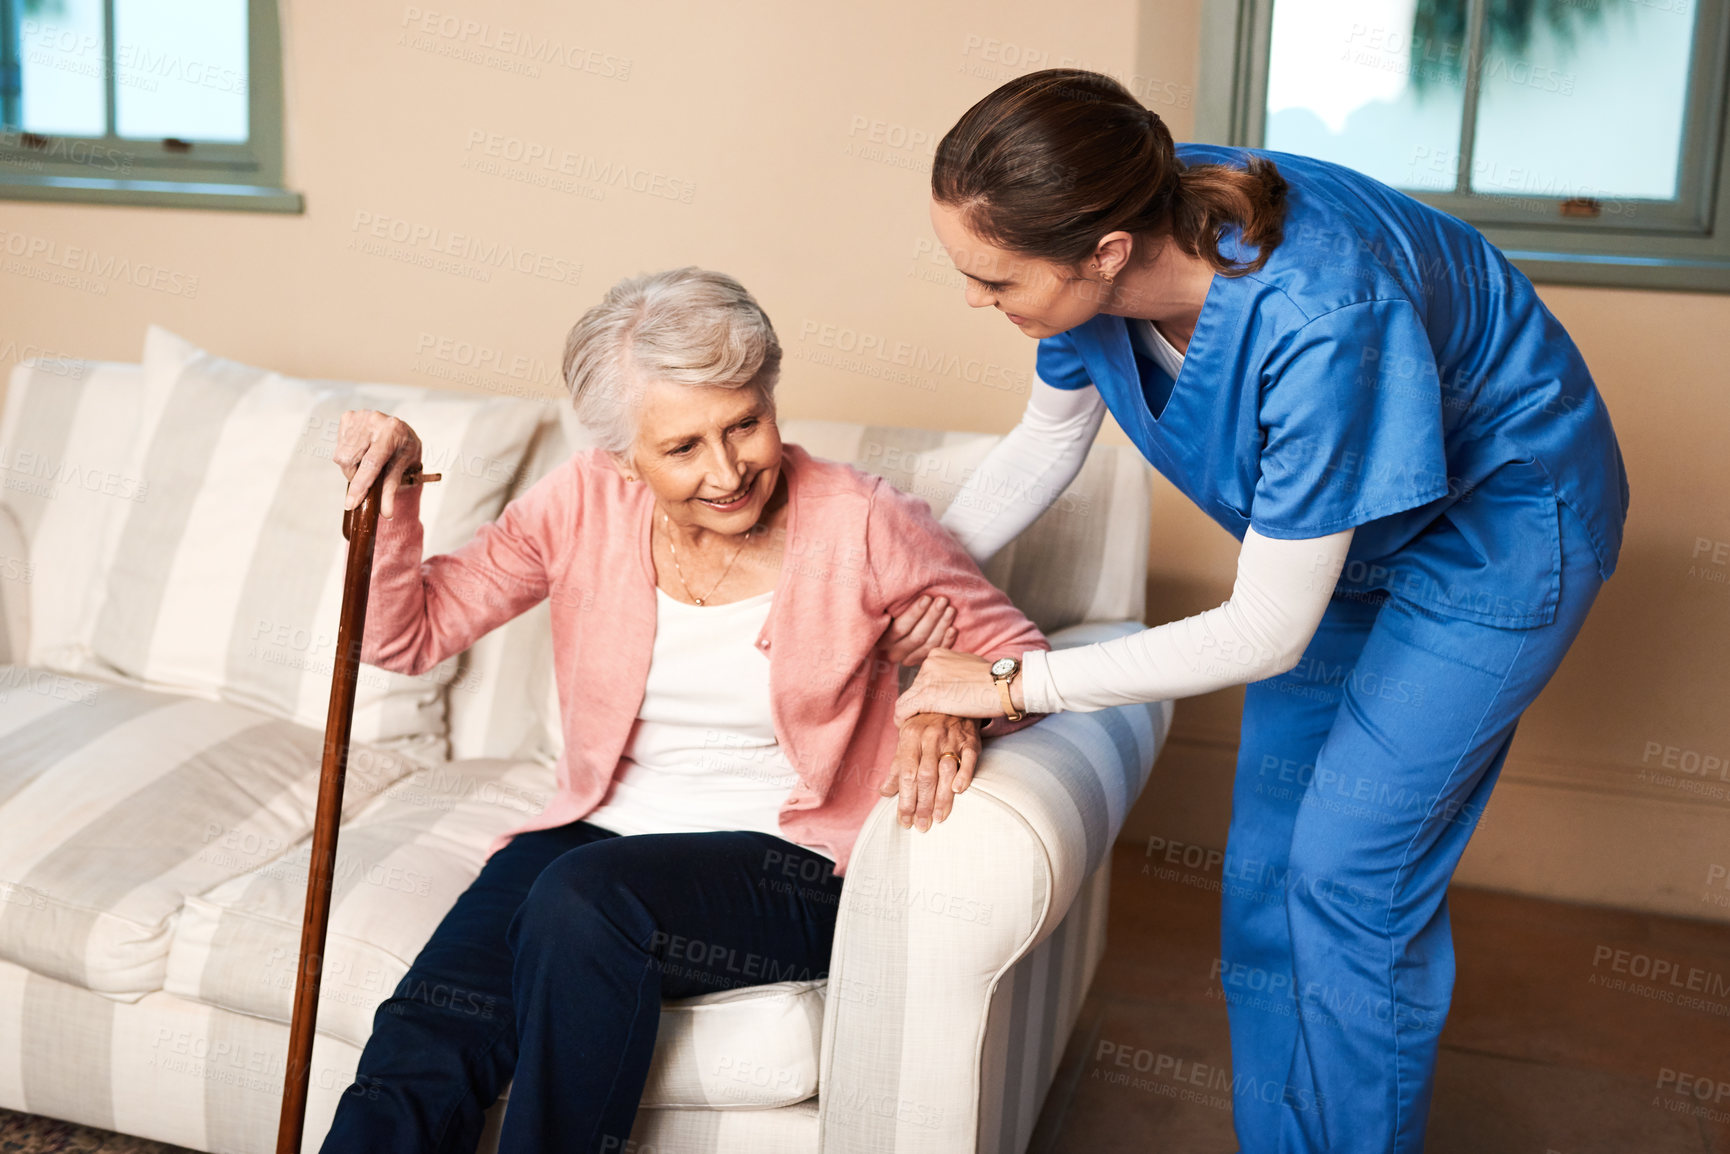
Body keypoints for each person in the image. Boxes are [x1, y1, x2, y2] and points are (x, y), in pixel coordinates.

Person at [895, 70, 1629, 1154]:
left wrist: (1008, 682)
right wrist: (901, 582)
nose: (972, 296)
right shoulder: (1101, 214)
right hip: (1337, 537)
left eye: (989, 279)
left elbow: (1263, 631)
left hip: (1499, 525)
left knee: (1349, 875)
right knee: (1266, 870)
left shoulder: (1316, 311)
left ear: (1100, 254)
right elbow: (1045, 444)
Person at [318, 267, 1049, 1153]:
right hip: (592, 836)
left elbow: (1026, 664)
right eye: (683, 448)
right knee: (425, 1037)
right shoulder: (582, 502)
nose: (729, 469)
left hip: (792, 864)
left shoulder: (860, 521)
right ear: (622, 459)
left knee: (583, 901)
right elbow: (410, 637)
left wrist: (945, 697)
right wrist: (393, 498)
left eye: (745, 424)